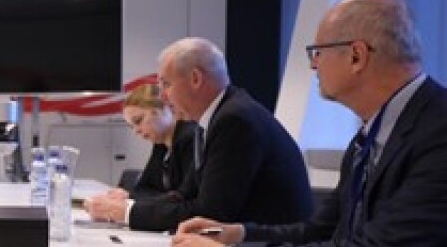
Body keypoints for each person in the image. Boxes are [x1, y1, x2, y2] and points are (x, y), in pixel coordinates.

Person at [171, 0, 447, 247]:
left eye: (318, 52)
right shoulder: (371, 133)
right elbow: (319, 232)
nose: (313, 65)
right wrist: (236, 234)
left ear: (356, 56)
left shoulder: (437, 131)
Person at [86, 38, 312, 232]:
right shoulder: (215, 118)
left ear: (195, 79)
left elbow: (210, 213)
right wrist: (128, 207)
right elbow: (185, 195)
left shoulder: (235, 120)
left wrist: (128, 213)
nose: (162, 97)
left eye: (166, 85)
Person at [89, 84, 198, 208]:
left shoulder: (190, 139)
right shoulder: (161, 145)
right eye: (132, 126)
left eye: (138, 121)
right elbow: (143, 189)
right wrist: (129, 196)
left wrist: (131, 201)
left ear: (163, 109)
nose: (136, 131)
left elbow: (182, 198)